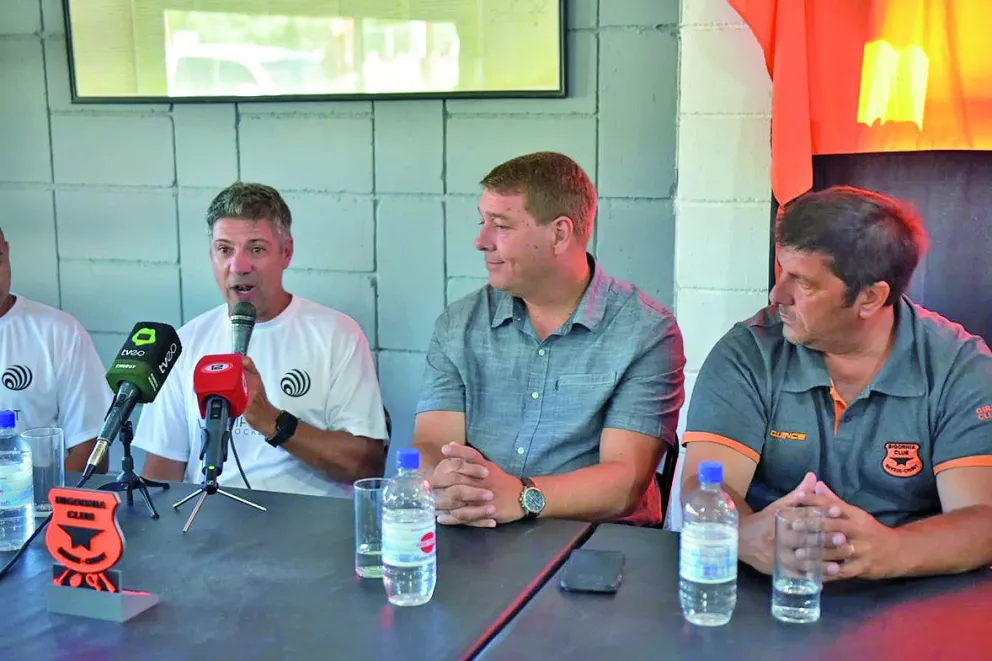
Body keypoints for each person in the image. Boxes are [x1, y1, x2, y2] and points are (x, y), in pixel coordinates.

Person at [681, 185, 992, 581]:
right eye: (781, 270)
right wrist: (745, 535)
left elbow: (982, 520)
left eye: (803, 283)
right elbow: (704, 484)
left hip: (912, 593)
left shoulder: (960, 366)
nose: (778, 294)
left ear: (870, 298)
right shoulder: (748, 352)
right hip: (772, 590)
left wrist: (890, 551)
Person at [412, 151, 686, 528]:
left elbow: (625, 482)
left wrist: (523, 496)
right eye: (483, 221)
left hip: (598, 543)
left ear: (559, 234)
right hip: (479, 532)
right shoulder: (460, 323)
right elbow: (430, 443)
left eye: (502, 226)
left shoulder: (646, 331)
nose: (481, 240)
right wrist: (446, 481)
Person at [133, 183, 388, 496]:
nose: (239, 266)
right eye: (225, 249)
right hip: (210, 528)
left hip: (309, 532)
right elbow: (161, 476)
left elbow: (367, 466)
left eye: (256, 249)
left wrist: (271, 420)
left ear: (286, 252)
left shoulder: (337, 334)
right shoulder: (184, 342)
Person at [0, 227, 112, 473]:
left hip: (30, 507)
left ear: (7, 252)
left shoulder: (59, 332)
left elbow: (92, 450)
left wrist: (48, 505)